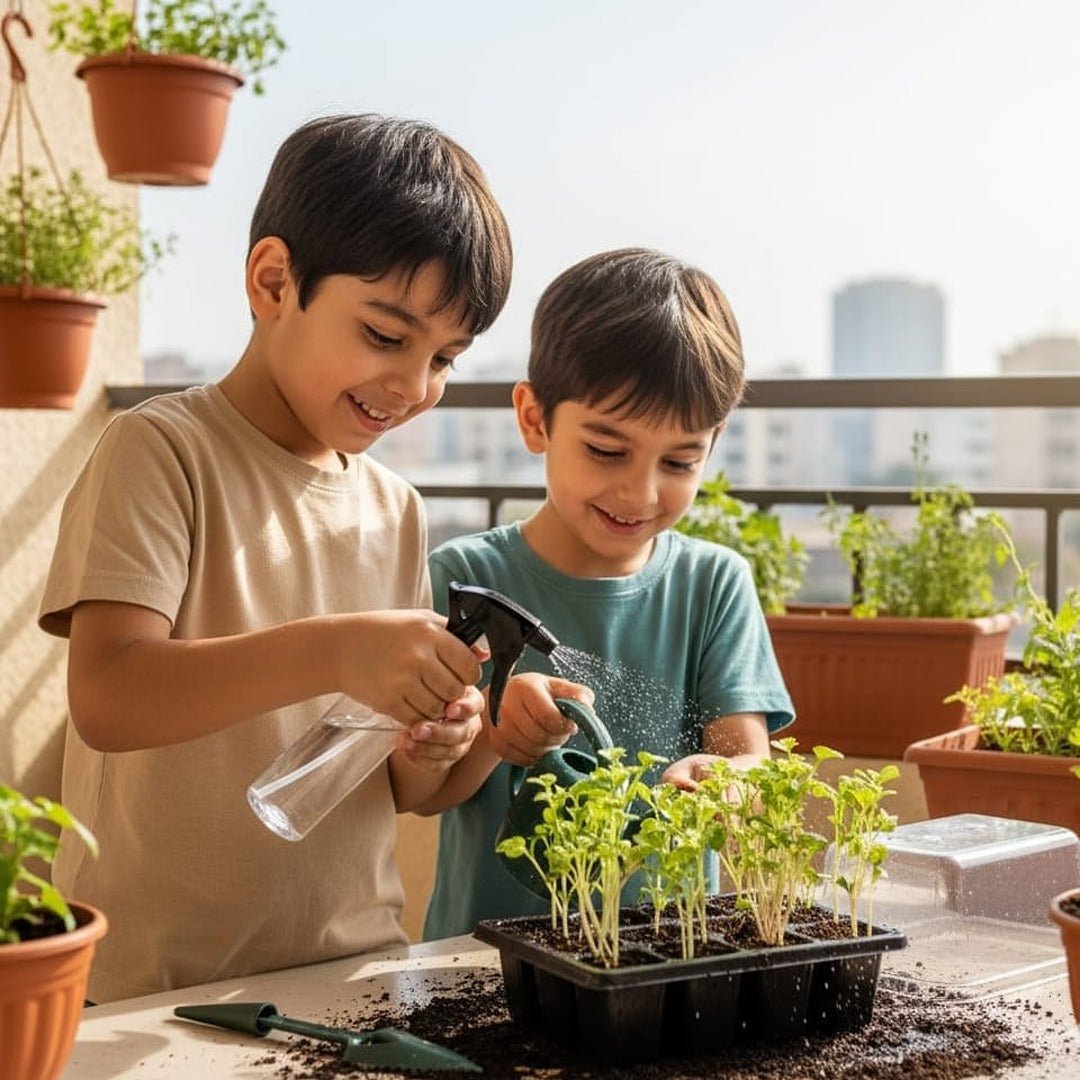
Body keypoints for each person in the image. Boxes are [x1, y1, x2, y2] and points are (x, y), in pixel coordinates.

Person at [37, 114, 513, 1002]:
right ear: (273, 281)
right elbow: (108, 697)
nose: (414, 387)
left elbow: (402, 789)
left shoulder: (395, 509)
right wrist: (337, 651)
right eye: (384, 335)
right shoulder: (161, 452)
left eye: (444, 358)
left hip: (353, 970)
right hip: (155, 986)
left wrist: (440, 735)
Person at [418, 248, 795, 941]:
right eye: (606, 450)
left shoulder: (712, 584)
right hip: (481, 969)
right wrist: (495, 736)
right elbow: (420, 791)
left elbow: (747, 761)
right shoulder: (464, 579)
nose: (639, 493)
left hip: (668, 959)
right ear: (535, 420)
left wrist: (724, 780)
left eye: (680, 461)